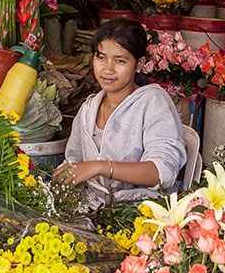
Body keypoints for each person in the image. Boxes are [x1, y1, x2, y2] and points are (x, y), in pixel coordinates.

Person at [58, 18, 187, 206]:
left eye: (120, 60)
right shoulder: (88, 109)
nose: (107, 69)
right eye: (101, 57)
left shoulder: (153, 103)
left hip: (142, 214)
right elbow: (74, 162)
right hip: (93, 211)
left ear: (139, 64)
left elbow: (162, 172)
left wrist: (100, 167)